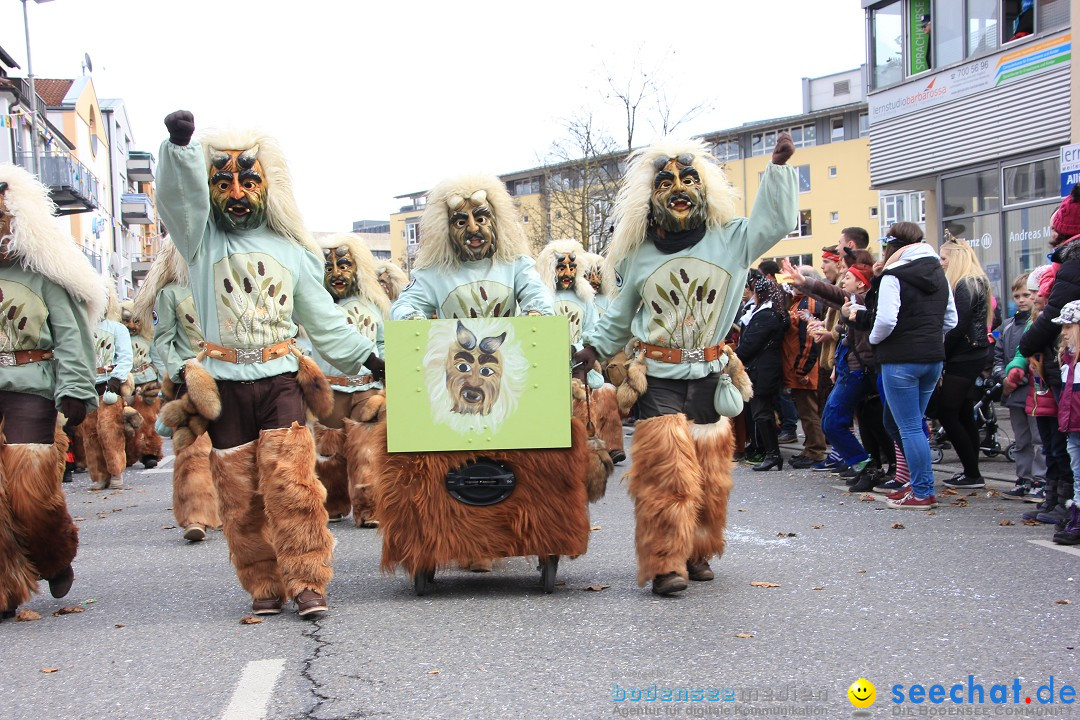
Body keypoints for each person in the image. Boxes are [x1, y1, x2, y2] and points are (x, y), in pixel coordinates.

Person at [157, 110, 383, 618]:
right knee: (240, 495)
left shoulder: (293, 251)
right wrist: (179, 150)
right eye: (224, 181)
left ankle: (307, 581)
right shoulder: (199, 243)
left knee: (293, 486)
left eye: (248, 180)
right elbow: (178, 203)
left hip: (281, 379)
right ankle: (262, 582)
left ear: (269, 186)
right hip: (226, 386)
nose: (236, 192)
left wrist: (371, 358)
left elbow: (323, 319)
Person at [573, 134, 798, 595]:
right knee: (667, 473)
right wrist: (589, 351)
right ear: (651, 199)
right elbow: (618, 316)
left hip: (711, 377)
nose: (678, 187)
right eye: (667, 182)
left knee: (710, 476)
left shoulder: (733, 239)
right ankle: (664, 563)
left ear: (703, 189)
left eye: (688, 178)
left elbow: (775, 221)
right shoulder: (638, 255)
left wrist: (776, 170)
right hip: (658, 378)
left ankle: (696, 551)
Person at [0, 165, 100, 617]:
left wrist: (76, 390)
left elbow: (72, 336)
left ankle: (54, 553)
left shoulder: (44, 274)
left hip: (31, 387)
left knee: (28, 493)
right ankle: (5, 586)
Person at [853, 223, 956, 510]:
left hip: (900, 360)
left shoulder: (893, 275)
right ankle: (918, 483)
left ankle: (922, 490)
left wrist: (875, 341)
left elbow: (885, 320)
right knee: (897, 422)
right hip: (932, 359)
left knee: (910, 426)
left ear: (891, 247)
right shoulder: (939, 274)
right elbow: (951, 320)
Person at [132, 237, 222, 543]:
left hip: (232, 375)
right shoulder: (170, 294)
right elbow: (162, 339)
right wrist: (178, 370)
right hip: (189, 381)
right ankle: (195, 515)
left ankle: (230, 509)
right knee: (193, 451)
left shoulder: (223, 283)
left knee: (233, 450)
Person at [390, 174, 553, 321]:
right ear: (446, 229)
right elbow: (404, 305)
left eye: (481, 219)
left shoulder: (516, 264)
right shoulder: (434, 272)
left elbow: (537, 294)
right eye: (461, 222)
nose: (473, 228)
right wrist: (410, 317)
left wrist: (536, 311)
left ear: (497, 222)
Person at [311, 233, 387, 526]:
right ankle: (332, 503)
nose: (337, 273)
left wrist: (387, 368)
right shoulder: (316, 309)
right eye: (328, 267)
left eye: (344, 265)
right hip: (329, 391)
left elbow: (382, 344)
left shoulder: (374, 306)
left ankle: (369, 509)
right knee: (328, 455)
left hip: (366, 389)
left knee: (366, 452)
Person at [928, 239, 992, 489]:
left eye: (944, 258)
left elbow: (958, 325)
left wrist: (941, 353)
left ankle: (972, 472)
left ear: (955, 258)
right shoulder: (976, 281)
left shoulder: (966, 283)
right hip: (971, 353)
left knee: (947, 412)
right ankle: (971, 471)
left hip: (965, 354)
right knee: (963, 412)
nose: (941, 263)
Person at [993, 272, 1047, 500]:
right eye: (1017, 296)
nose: (1022, 299)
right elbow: (997, 357)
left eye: (1026, 294)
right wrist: (1002, 379)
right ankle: (1023, 478)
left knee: (1039, 439)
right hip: (1013, 393)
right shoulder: (1007, 326)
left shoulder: (1040, 323)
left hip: (1034, 392)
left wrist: (1020, 379)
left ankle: (1041, 479)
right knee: (1021, 439)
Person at [81, 290, 134, 491]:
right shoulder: (81, 328)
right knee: (89, 432)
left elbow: (125, 356)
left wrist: (117, 378)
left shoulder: (117, 329)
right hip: (88, 385)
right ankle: (98, 475)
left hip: (109, 385)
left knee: (109, 430)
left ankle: (115, 471)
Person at [737, 273, 788, 471]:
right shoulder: (771, 313)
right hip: (764, 368)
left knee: (762, 412)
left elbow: (749, 345)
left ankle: (772, 454)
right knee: (761, 412)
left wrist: (731, 356)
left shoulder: (765, 315)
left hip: (763, 370)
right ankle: (771, 453)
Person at [785, 266, 826, 469]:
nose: (791, 282)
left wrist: (802, 369)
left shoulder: (809, 302)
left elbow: (809, 340)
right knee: (805, 411)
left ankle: (816, 451)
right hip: (798, 365)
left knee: (809, 412)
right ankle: (810, 448)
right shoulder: (798, 301)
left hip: (805, 367)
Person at [120, 300, 163, 470]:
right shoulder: (118, 338)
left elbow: (158, 359)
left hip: (147, 381)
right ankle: (128, 454)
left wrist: (164, 380)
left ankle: (149, 452)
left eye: (136, 321)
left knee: (148, 419)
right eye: (126, 320)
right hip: (125, 382)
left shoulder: (148, 339)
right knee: (124, 421)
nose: (131, 325)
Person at [1051, 299, 1080, 544]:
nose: (1063, 332)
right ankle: (1076, 516)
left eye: (1069, 326)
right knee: (1078, 474)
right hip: (1072, 428)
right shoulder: (1067, 361)